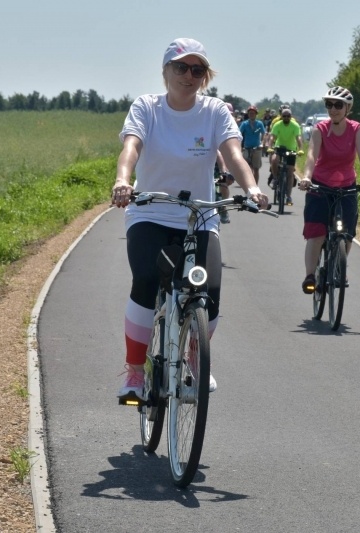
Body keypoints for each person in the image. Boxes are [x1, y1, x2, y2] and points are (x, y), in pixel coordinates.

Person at [112, 38, 269, 400]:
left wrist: (252, 188)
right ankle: (135, 373)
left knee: (208, 291)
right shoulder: (147, 108)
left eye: (197, 70)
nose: (188, 75)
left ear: (205, 77)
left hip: (198, 217)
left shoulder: (214, 111)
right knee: (148, 279)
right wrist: (123, 180)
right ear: (166, 71)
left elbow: (233, 154)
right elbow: (131, 147)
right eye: (180, 67)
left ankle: (196, 355)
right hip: (150, 212)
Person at [298, 86, 360, 294]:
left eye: (338, 105)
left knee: (347, 233)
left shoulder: (356, 129)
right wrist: (306, 177)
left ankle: (341, 266)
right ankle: (310, 275)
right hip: (320, 186)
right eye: (329, 104)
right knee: (317, 233)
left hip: (346, 186)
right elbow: (312, 156)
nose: (333, 109)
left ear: (347, 108)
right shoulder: (320, 129)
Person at [266, 107, 303, 206]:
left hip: (291, 149)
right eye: (284, 116)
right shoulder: (277, 124)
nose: (286, 118)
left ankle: (289, 196)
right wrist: (269, 147)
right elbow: (272, 137)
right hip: (279, 147)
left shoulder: (295, 125)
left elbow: (298, 138)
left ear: (291, 117)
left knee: (290, 171)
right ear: (281, 117)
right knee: (274, 160)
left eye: (288, 116)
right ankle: (275, 178)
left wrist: (300, 149)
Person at [239, 105, 266, 184]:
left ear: (256, 114)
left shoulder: (259, 123)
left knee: (256, 168)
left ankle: (255, 186)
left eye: (253, 113)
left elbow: (264, 134)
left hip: (257, 148)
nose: (251, 114)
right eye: (250, 113)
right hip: (247, 147)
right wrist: (240, 146)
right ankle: (248, 184)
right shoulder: (244, 124)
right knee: (247, 168)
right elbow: (239, 134)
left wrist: (262, 143)